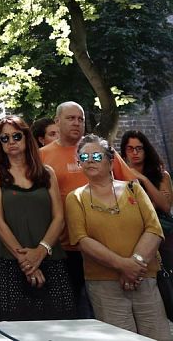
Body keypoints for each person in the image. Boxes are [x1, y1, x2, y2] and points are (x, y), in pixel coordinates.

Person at [66, 134, 168, 339]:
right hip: (104, 283)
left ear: (111, 161)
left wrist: (134, 265)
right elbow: (81, 240)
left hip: (143, 277)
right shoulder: (75, 197)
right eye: (84, 157)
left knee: (157, 335)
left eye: (96, 156)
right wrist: (123, 265)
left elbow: (154, 229)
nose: (90, 160)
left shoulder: (134, 189)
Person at [40, 101, 135, 318]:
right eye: (71, 118)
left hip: (108, 245)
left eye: (80, 119)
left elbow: (131, 187)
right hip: (66, 248)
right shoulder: (42, 156)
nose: (77, 123)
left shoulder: (101, 151)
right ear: (57, 121)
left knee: (111, 312)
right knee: (75, 312)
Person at [0, 116, 74, 321]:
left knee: (60, 324)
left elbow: (59, 217)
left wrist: (41, 251)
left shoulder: (47, 173)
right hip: (12, 261)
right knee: (16, 327)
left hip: (51, 258)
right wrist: (26, 262)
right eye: (4, 138)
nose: (11, 141)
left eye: (16, 136)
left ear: (26, 137)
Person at [120, 129, 173, 267]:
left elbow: (166, 207)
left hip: (163, 232)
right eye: (130, 149)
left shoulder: (162, 175)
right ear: (124, 152)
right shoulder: (121, 179)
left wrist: (144, 179)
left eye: (139, 148)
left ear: (146, 150)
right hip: (136, 235)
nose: (135, 153)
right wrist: (154, 202)